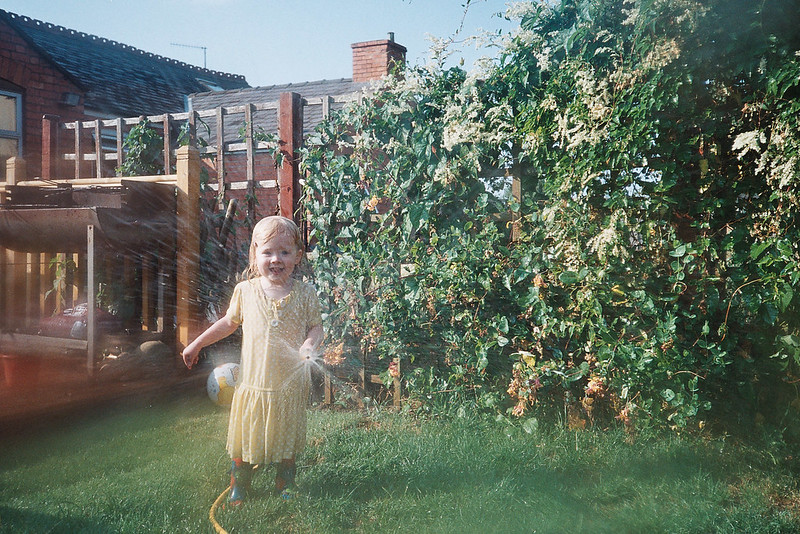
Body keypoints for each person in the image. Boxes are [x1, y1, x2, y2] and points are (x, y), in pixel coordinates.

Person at [182, 216, 323, 504]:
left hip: (287, 387)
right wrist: (196, 343)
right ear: (255, 253)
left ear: (297, 256)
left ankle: (285, 481)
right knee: (246, 437)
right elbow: (228, 323)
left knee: (287, 437)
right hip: (254, 387)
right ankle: (239, 484)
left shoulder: (306, 294)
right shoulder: (246, 291)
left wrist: (309, 343)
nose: (276, 259)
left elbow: (316, 327)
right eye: (267, 252)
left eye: (284, 252)